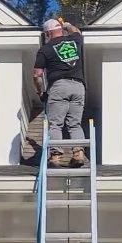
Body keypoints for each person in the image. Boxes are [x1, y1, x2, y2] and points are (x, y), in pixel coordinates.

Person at [33, 18, 87, 167]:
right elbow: (76, 31)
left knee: (55, 124)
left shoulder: (45, 49)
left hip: (59, 86)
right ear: (60, 30)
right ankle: (79, 154)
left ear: (48, 33)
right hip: (78, 86)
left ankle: (55, 157)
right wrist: (67, 25)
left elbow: (37, 74)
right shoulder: (75, 40)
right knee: (75, 124)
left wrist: (40, 92)